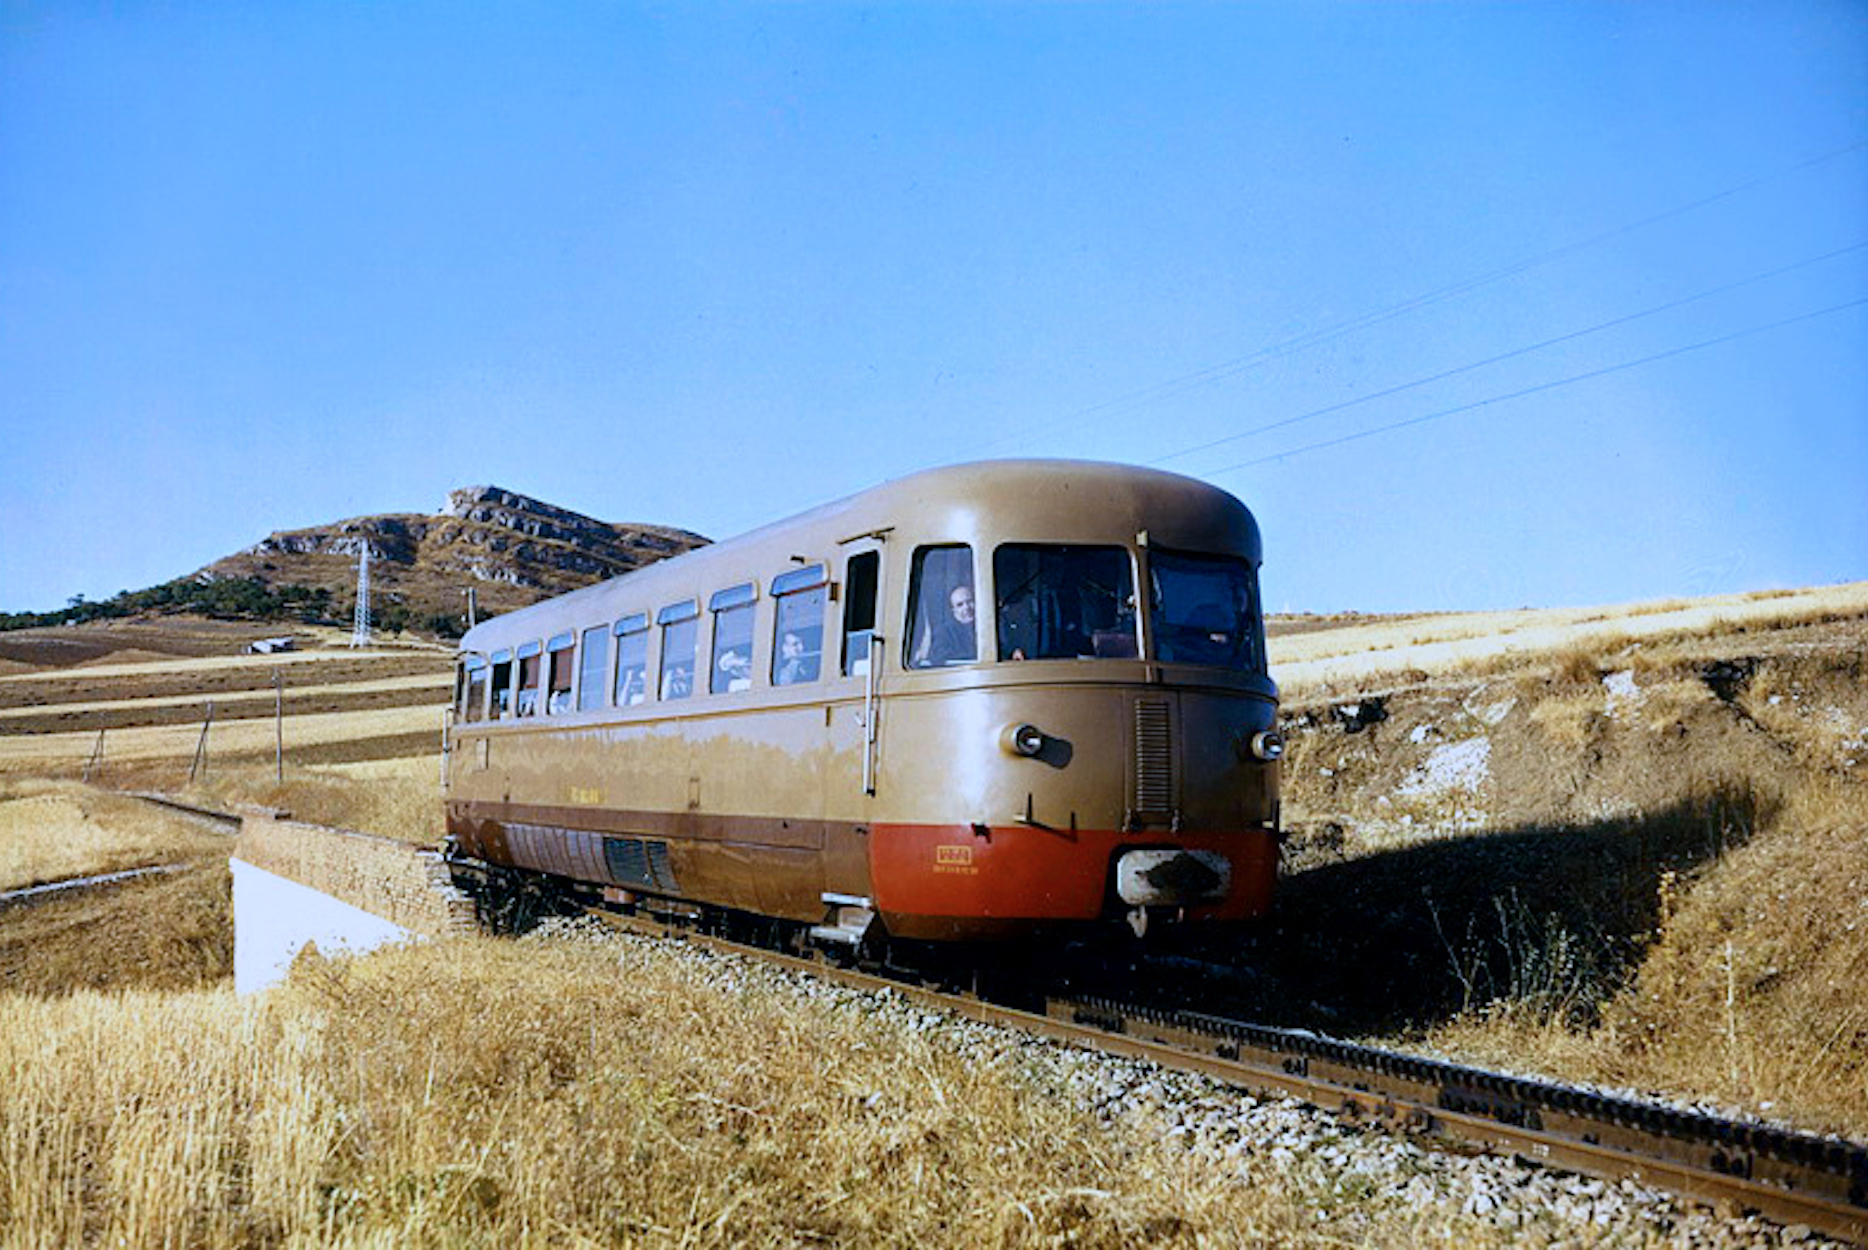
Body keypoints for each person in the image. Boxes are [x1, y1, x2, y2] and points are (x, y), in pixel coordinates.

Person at [917, 582, 977, 667]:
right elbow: (940, 658)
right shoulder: (944, 632)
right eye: (960, 605)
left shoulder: (991, 626)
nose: (966, 607)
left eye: (970, 601)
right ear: (954, 610)